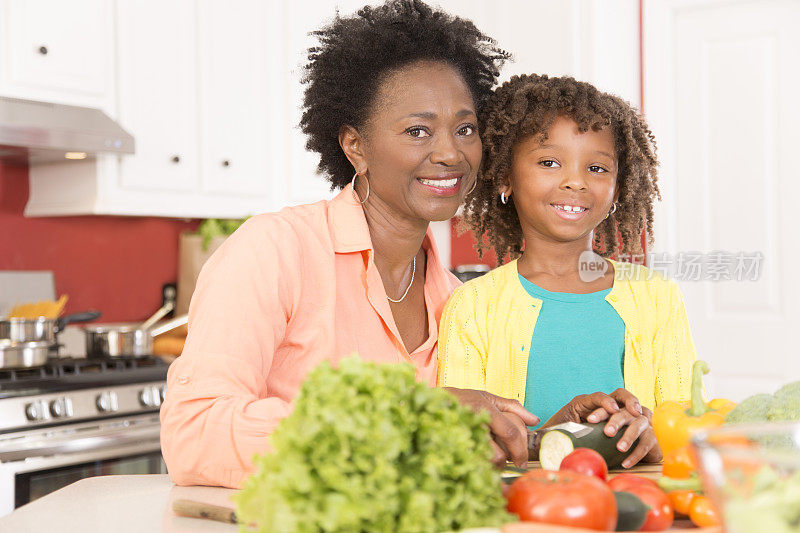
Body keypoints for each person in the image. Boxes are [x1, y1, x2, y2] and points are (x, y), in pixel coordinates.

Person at [160, 3, 649, 488]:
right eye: (418, 131)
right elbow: (195, 432)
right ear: (356, 146)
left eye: (465, 129)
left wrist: (555, 434)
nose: (449, 154)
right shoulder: (275, 251)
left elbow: (456, 443)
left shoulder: (456, 300)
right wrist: (409, 417)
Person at [438, 74, 698, 467]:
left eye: (597, 168)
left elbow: (691, 424)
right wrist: (545, 439)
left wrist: (656, 436)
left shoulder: (657, 296)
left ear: (617, 189)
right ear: (506, 177)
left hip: (640, 506)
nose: (575, 181)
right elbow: (464, 439)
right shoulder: (472, 305)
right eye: (549, 162)